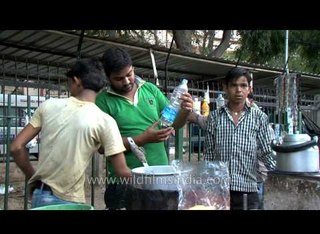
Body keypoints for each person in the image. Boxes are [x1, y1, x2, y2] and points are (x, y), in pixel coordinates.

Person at [10, 57, 132, 208]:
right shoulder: (105, 121)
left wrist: (32, 176)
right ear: (100, 87)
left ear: (76, 80)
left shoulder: (48, 106)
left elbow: (16, 147)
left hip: (41, 195)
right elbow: (122, 171)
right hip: (69, 200)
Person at [95, 47, 193, 210]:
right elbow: (101, 147)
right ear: (108, 77)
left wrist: (184, 112)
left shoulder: (150, 89)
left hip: (160, 179)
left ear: (133, 68)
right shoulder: (103, 101)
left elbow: (173, 123)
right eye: (118, 78)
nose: (126, 81)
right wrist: (142, 139)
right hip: (124, 183)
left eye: (129, 74)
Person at [202, 67, 275, 210]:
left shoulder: (259, 117)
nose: (238, 90)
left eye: (243, 85)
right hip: (220, 190)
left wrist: (282, 173)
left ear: (249, 89)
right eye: (234, 85)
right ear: (225, 88)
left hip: (248, 189)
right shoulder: (215, 117)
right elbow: (209, 156)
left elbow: (267, 152)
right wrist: (207, 185)